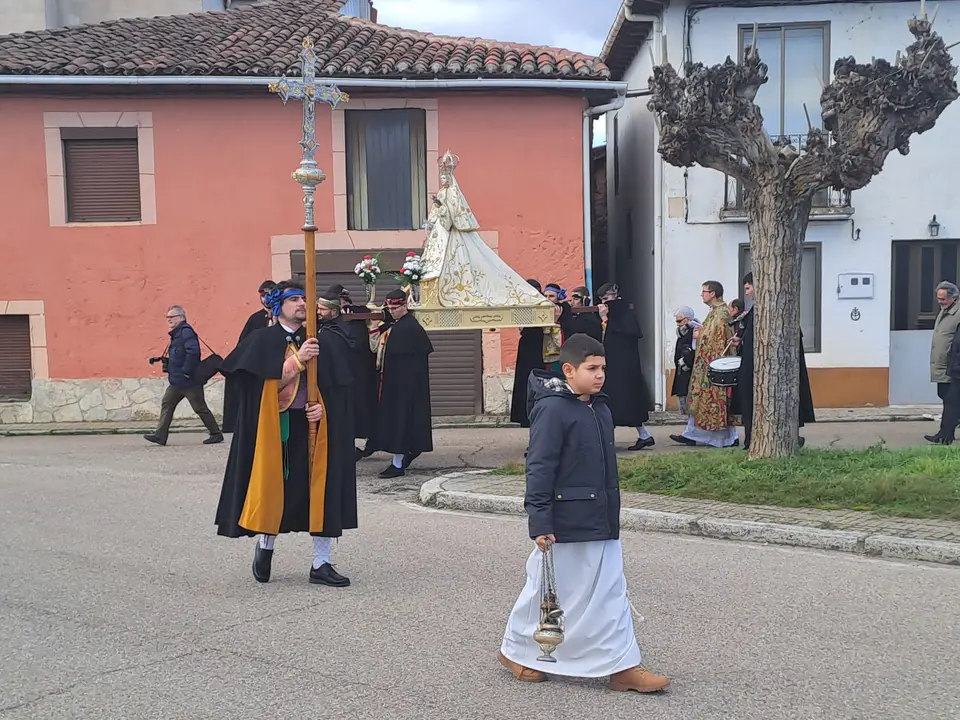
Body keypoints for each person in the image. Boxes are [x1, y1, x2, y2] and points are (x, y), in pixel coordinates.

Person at [498, 333, 670, 694]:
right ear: (568, 370)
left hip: (601, 519)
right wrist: (540, 520)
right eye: (592, 368)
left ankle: (622, 666)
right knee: (545, 593)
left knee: (610, 592)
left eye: (603, 368)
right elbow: (540, 467)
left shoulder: (601, 408)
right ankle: (515, 650)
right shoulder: (552, 409)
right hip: (565, 523)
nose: (600, 375)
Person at [214, 280, 356, 588]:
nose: (302, 304)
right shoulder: (261, 341)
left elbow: (338, 390)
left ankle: (321, 563)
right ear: (280, 306)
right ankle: (265, 547)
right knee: (274, 488)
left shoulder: (321, 340)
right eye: (294, 299)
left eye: (304, 299)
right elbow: (254, 390)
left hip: (315, 428)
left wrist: (324, 410)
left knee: (323, 492)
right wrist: (296, 361)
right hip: (276, 429)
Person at [731, 273, 815, 450]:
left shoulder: (772, 310)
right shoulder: (756, 310)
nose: (747, 293)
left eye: (748, 288)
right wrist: (741, 341)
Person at [371, 289, 434, 478]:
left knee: (402, 424)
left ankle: (398, 464)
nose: (392, 311)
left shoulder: (409, 327)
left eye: (395, 307)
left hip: (406, 388)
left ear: (405, 306)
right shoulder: (398, 325)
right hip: (398, 385)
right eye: (389, 308)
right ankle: (401, 459)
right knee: (400, 424)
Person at [670, 281, 738, 447]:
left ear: (713, 293)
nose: (702, 294)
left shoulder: (721, 313)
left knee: (716, 402)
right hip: (705, 364)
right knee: (701, 401)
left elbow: (718, 339)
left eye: (704, 291)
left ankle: (726, 438)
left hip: (715, 364)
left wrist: (699, 335)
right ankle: (693, 434)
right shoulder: (714, 312)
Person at [144, 305, 223, 446]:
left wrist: (186, 371)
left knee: (199, 407)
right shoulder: (177, 334)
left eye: (172, 317)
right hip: (177, 381)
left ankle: (216, 434)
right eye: (167, 317)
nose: (169, 320)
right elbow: (179, 354)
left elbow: (193, 352)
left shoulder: (186, 332)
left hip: (189, 381)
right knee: (167, 404)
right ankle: (160, 435)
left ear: (181, 317)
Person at [596, 283, 654, 450]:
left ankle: (640, 435)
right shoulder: (614, 312)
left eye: (606, 299)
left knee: (624, 402)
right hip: (613, 365)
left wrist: (606, 320)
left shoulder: (623, 312)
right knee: (613, 402)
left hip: (624, 366)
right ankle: (642, 435)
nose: (604, 303)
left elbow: (630, 332)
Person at [327, 284, 380, 458]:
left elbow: (359, 337)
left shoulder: (356, 315)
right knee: (347, 411)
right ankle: (348, 446)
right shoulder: (330, 321)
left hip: (361, 372)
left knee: (364, 407)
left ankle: (371, 442)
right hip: (344, 372)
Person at [223, 280, 277, 434]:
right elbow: (244, 343)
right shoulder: (255, 319)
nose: (265, 298)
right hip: (258, 367)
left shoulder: (284, 315)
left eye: (268, 294)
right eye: (262, 295)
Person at [925, 281, 960, 444]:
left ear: (954, 297)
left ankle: (945, 434)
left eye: (943, 299)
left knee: (951, 401)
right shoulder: (945, 310)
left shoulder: (958, 313)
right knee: (945, 396)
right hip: (943, 364)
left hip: (953, 365)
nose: (940, 302)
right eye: (938, 298)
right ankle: (946, 432)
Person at [510, 279, 548, 428]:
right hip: (531, 344)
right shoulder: (524, 304)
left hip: (536, 344)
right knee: (527, 379)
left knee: (532, 378)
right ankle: (526, 415)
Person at [672, 306, 698, 416]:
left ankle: (690, 429)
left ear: (687, 320)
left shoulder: (694, 332)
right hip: (681, 370)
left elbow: (693, 350)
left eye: (679, 320)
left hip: (688, 371)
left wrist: (686, 362)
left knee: (688, 400)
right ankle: (688, 429)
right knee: (682, 397)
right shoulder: (682, 332)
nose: (677, 324)